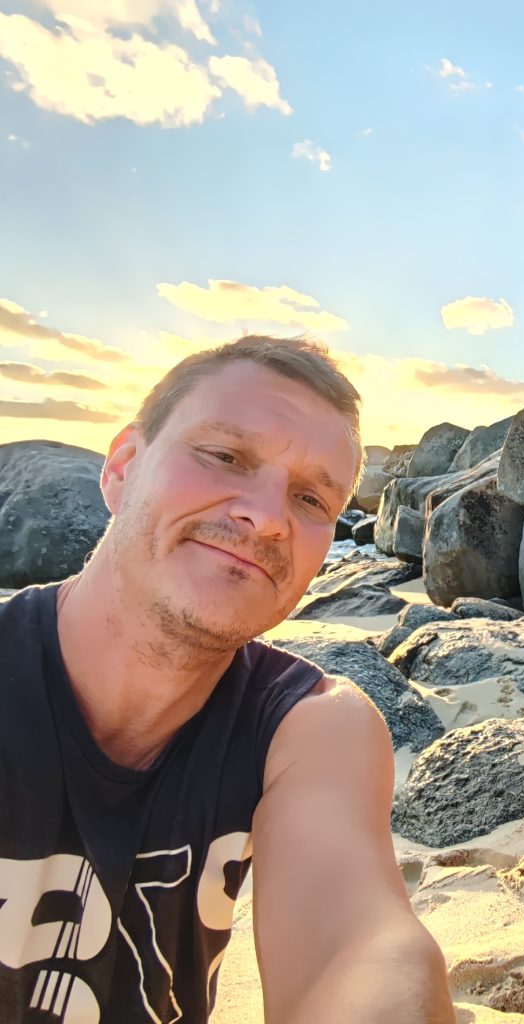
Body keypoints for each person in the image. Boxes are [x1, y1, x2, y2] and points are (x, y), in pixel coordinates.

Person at [0, 336, 456, 1023]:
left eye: (310, 499)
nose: (267, 518)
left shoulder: (311, 727)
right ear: (122, 467)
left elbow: (361, 947)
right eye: (224, 457)